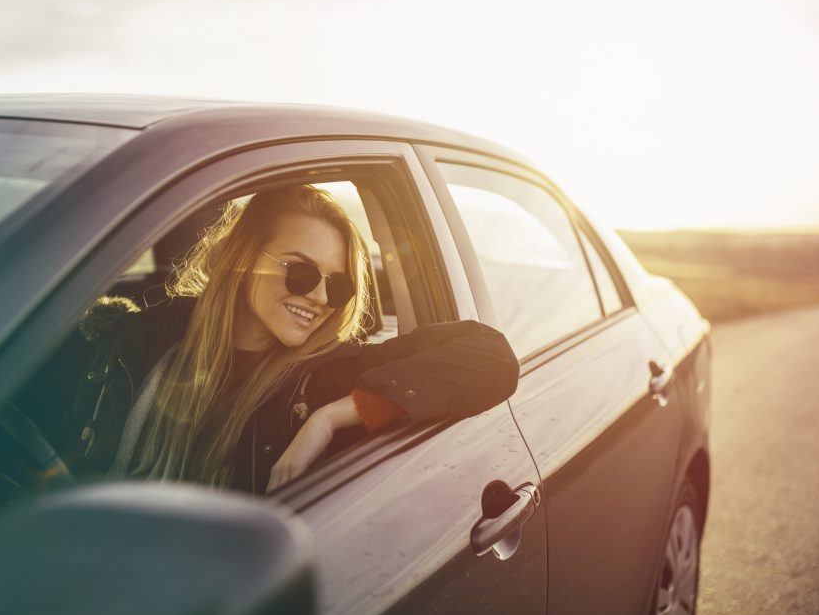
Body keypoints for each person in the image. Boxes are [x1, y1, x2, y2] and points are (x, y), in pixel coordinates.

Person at [59, 184, 519, 494]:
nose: (320, 297)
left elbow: (491, 356)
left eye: (337, 285)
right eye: (299, 271)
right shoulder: (138, 339)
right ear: (241, 258)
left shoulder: (328, 377)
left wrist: (333, 416)